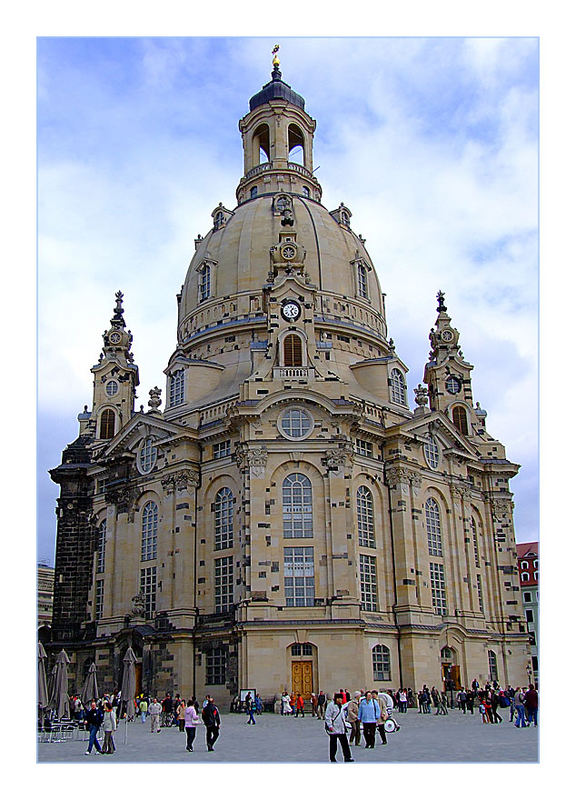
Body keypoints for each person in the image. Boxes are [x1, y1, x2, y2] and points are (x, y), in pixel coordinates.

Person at [324, 693, 354, 763]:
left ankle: (347, 757)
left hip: (341, 728)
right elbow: (328, 716)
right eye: (340, 699)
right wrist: (330, 726)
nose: (341, 700)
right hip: (334, 728)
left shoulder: (341, 706)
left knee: (345, 744)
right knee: (333, 744)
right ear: (337, 699)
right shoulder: (331, 706)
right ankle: (332, 758)